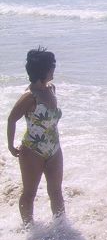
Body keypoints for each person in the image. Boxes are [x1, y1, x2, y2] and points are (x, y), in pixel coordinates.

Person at [7, 48, 65, 226]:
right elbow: (11, 119)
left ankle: (62, 229)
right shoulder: (30, 97)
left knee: (56, 192)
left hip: (54, 148)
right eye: (51, 66)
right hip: (32, 150)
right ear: (44, 70)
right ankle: (28, 229)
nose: (54, 69)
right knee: (30, 193)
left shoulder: (51, 89)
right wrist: (10, 146)